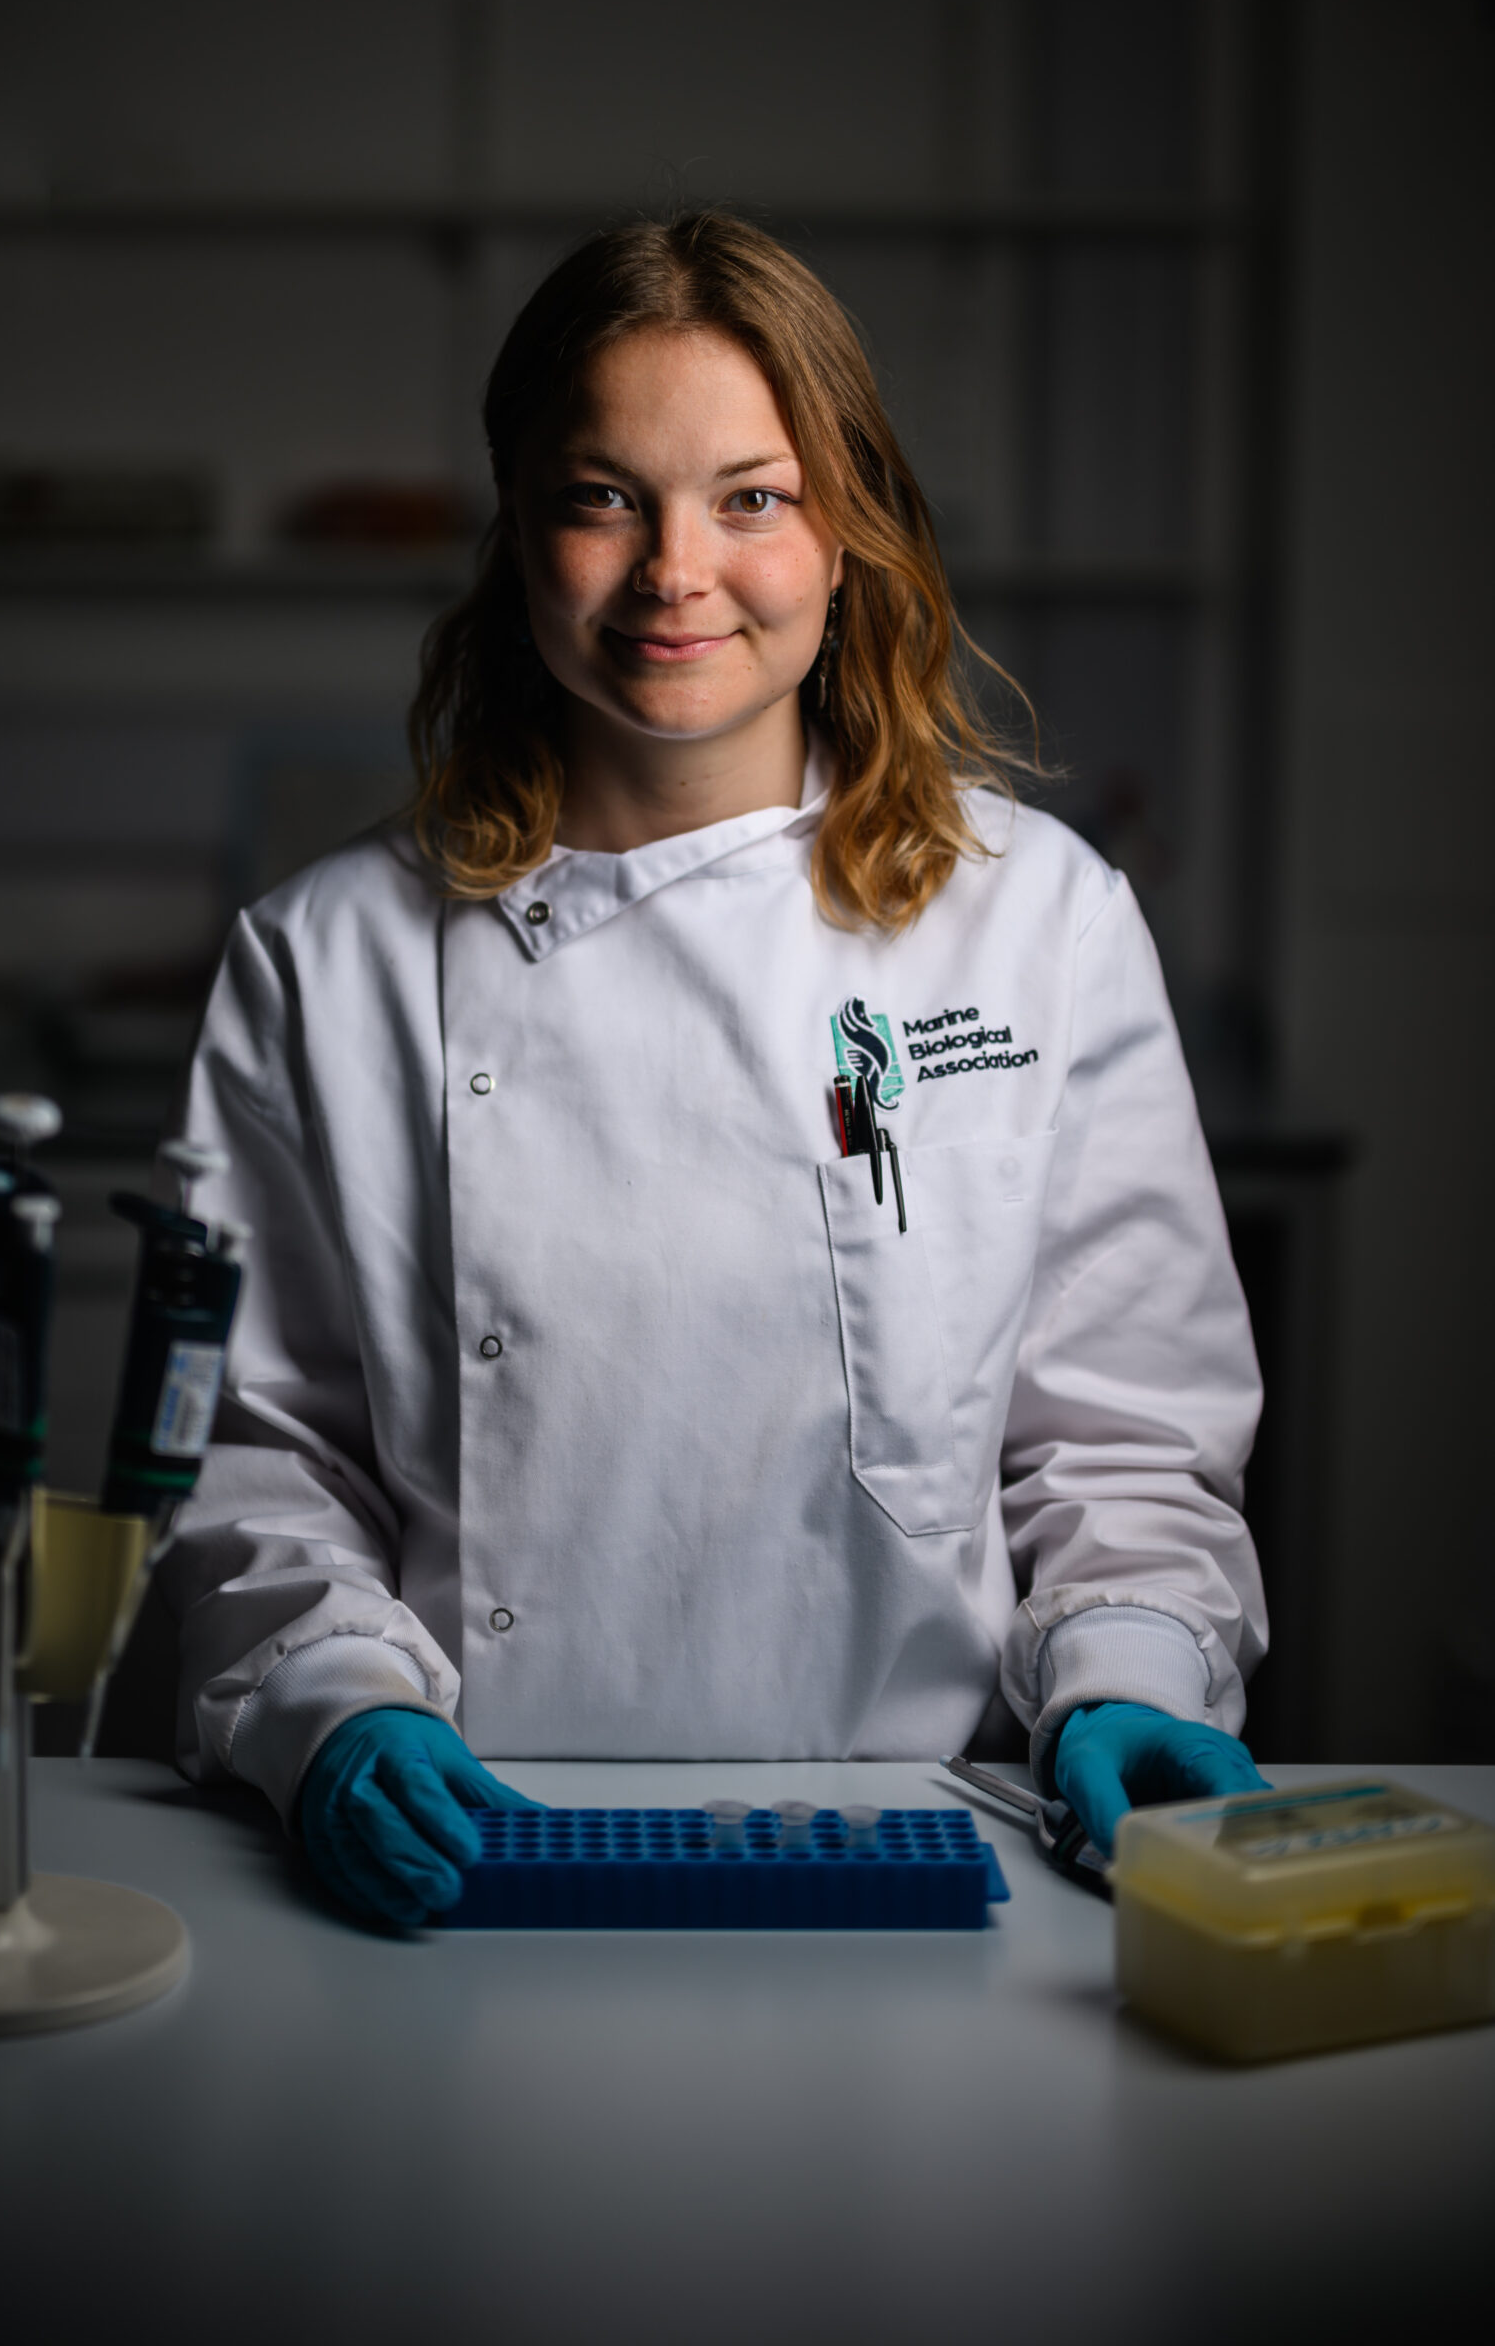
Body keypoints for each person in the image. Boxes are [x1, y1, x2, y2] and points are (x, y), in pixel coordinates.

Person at [160, 214, 1268, 1930]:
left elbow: (1119, 1444)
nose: (677, 570)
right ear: (518, 537)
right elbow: (260, 1461)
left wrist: (1128, 1671)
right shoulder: (328, 960)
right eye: (604, 497)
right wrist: (334, 1708)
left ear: (850, 533)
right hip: (476, 1851)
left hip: (942, 1847)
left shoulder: (1035, 922)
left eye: (752, 496)